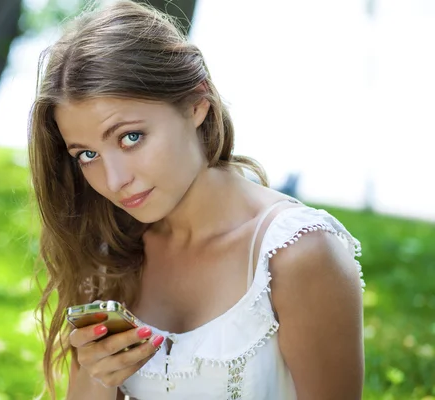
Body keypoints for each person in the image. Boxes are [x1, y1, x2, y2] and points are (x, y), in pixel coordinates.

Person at [28, 1, 366, 399]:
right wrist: (99, 375)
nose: (115, 180)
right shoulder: (112, 252)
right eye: (87, 154)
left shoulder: (298, 255)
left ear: (196, 104)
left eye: (130, 137)